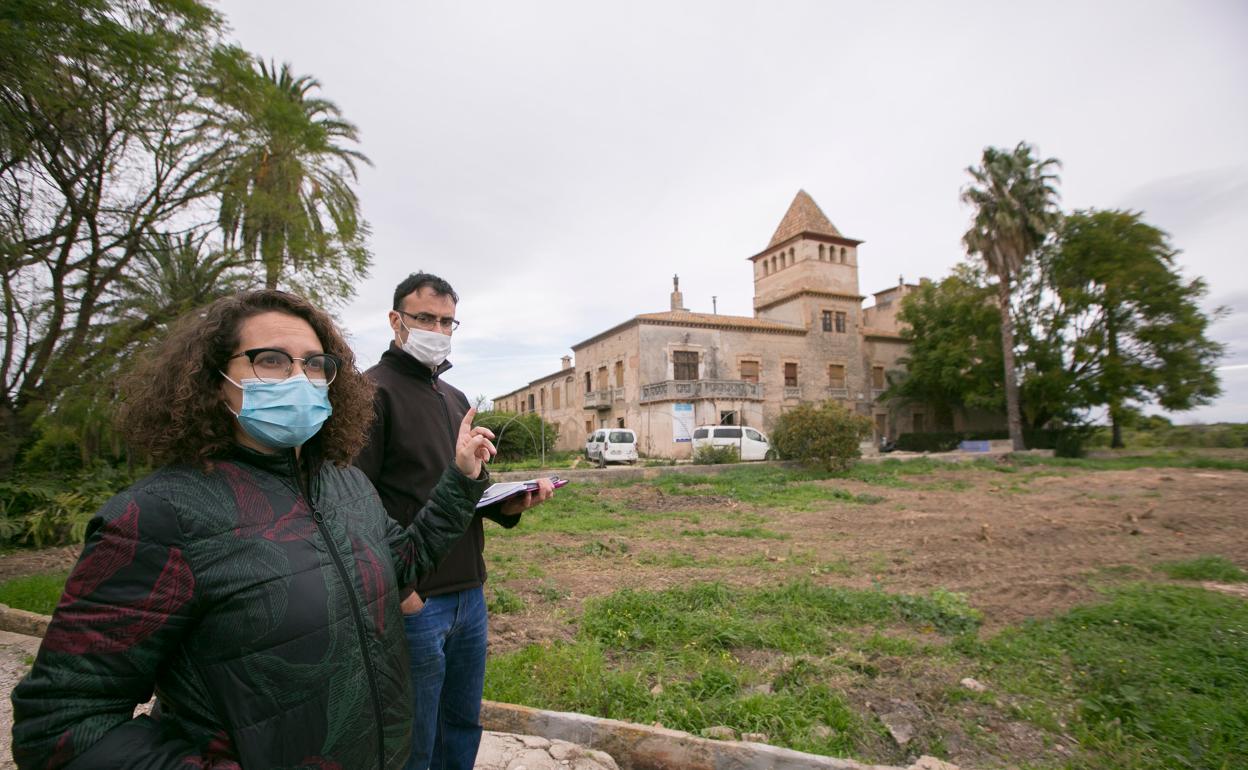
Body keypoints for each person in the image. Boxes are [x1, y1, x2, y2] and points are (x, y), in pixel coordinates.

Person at [11, 289, 499, 769]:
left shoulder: (344, 484)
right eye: (270, 361)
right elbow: (61, 725)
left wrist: (461, 478)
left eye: (313, 364)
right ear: (214, 378)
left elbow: (404, 562)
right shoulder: (160, 516)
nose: (299, 378)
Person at [354, 272, 554, 770]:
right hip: (415, 601)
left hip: (470, 592)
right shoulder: (368, 395)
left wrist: (509, 504)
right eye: (425, 318)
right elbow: (354, 504)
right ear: (396, 320)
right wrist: (400, 590)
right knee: (414, 737)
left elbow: (466, 487)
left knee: (461, 725)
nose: (437, 329)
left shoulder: (456, 398)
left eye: (447, 321)